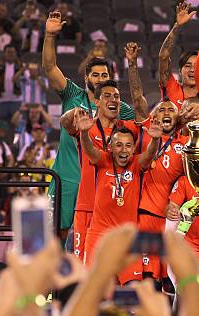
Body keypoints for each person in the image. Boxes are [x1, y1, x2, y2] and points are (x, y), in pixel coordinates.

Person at [43, 10, 135, 241]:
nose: (100, 79)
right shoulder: (73, 94)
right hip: (66, 176)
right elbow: (50, 68)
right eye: (95, 75)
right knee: (56, 234)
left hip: (98, 180)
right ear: (86, 79)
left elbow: (141, 120)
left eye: (105, 75)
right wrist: (49, 36)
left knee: (93, 236)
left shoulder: (119, 106)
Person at [74, 112, 160, 283]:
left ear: (133, 148)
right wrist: (84, 133)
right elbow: (90, 150)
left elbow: (148, 156)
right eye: (118, 145)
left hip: (127, 237)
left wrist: (155, 140)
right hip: (99, 235)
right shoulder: (103, 160)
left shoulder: (137, 164)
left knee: (132, 288)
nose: (123, 150)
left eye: (128, 146)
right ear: (110, 147)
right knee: (94, 286)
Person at [60, 80, 139, 261]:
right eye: (108, 96)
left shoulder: (127, 130)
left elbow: (146, 120)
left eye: (117, 97)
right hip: (87, 207)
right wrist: (76, 112)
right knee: (81, 267)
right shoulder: (86, 125)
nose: (114, 100)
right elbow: (64, 121)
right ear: (97, 102)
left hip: (116, 211)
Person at [136, 99, 189, 282]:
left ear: (178, 117)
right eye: (161, 109)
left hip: (173, 219)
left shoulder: (187, 144)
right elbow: (137, 100)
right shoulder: (143, 137)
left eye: (171, 110)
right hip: (147, 215)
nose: (166, 112)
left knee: (170, 278)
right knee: (147, 276)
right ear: (154, 116)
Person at [158, 1, 198, 108]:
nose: (192, 70)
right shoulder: (171, 87)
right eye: (188, 66)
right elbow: (163, 57)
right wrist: (178, 26)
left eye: (197, 67)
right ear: (180, 71)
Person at [0, 45, 22, 119]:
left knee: (16, 125)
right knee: (1, 124)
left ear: (16, 53)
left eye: (13, 52)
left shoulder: (21, 66)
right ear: (4, 53)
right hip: (1, 100)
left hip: (16, 100)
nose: (11, 54)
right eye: (8, 52)